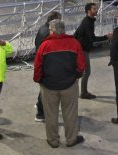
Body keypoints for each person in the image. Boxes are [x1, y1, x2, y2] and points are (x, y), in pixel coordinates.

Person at [33, 19, 86, 148]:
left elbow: (38, 67)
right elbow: (81, 64)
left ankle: (53, 141)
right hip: (69, 85)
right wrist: (76, 76)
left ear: (52, 31)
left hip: (49, 87)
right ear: (64, 30)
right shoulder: (74, 43)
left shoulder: (44, 46)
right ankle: (71, 139)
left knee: (51, 115)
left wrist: (39, 80)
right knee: (70, 114)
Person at [73, 2, 107, 100]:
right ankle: (83, 93)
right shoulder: (87, 23)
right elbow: (92, 38)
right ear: (88, 11)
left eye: (96, 8)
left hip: (81, 48)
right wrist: (106, 37)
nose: (96, 10)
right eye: (94, 9)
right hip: (82, 50)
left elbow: (76, 33)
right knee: (86, 72)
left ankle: (81, 91)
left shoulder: (88, 21)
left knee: (83, 71)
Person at [34, 11, 62, 121]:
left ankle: (39, 105)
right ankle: (40, 114)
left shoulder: (42, 28)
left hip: (42, 62)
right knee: (46, 91)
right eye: (59, 20)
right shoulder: (48, 34)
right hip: (46, 65)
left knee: (43, 89)